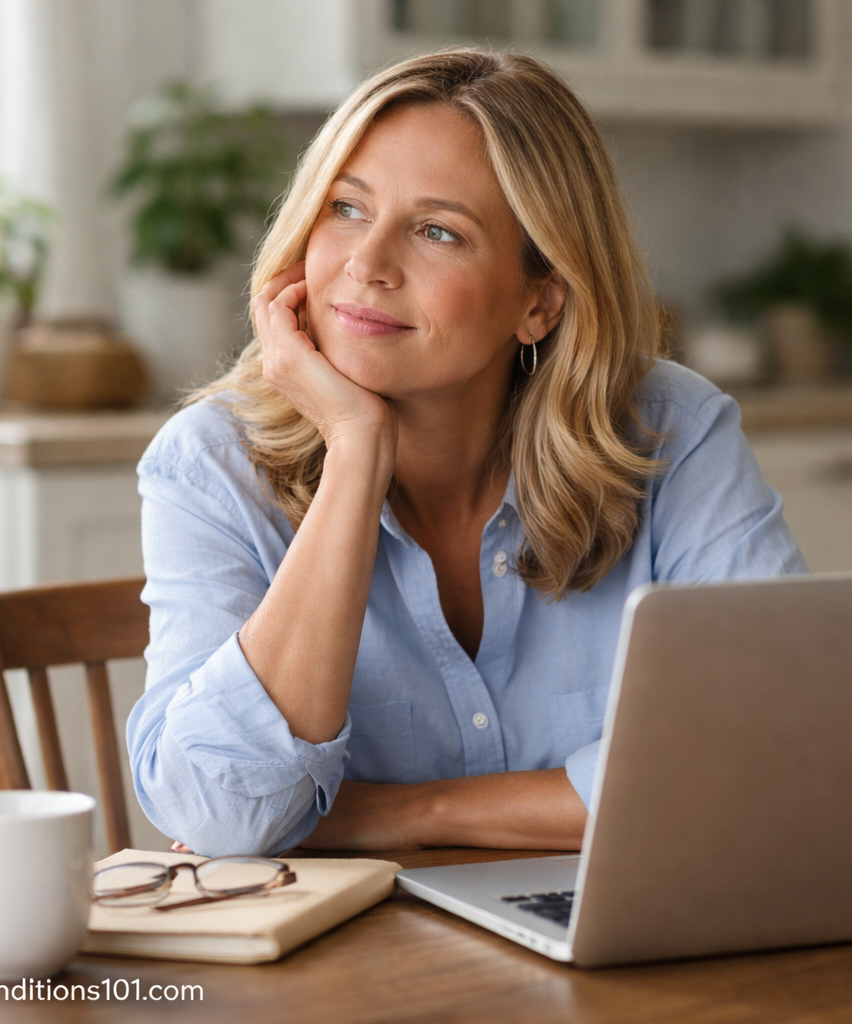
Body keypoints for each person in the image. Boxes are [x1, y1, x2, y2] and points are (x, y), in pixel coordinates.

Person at [128, 49, 806, 858]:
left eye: (437, 231)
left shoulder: (671, 431)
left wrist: (409, 814)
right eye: (346, 209)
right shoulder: (211, 463)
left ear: (539, 302)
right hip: (343, 971)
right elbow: (219, 818)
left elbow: (770, 746)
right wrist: (355, 448)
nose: (366, 265)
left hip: (615, 943)